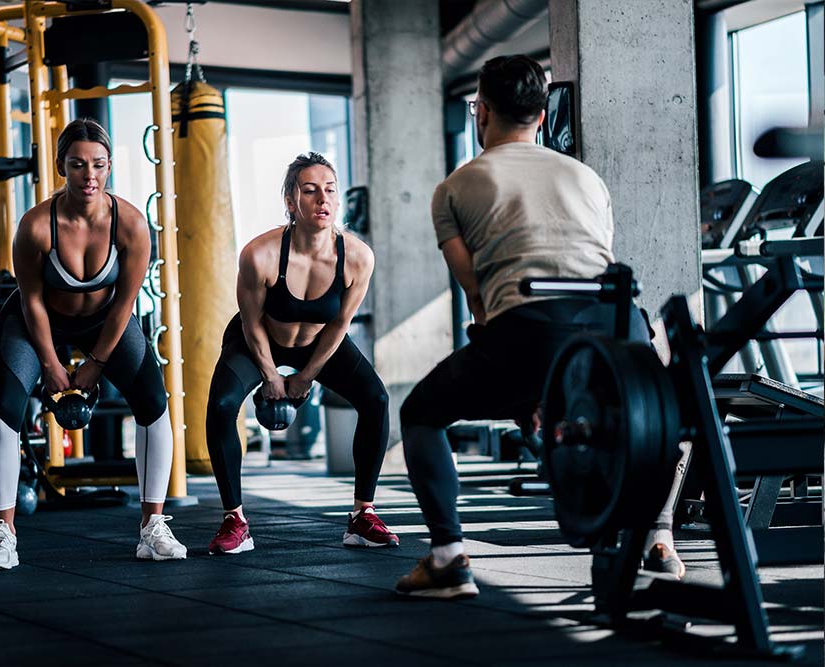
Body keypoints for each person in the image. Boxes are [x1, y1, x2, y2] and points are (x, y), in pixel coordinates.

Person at [395, 56, 685, 599]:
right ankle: (659, 541)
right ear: (542, 113)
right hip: (617, 324)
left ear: (480, 111)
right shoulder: (586, 177)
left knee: (421, 413)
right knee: (663, 418)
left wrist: (524, 387)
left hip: (528, 325)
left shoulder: (456, 188)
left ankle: (448, 559)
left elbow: (480, 299)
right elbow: (596, 266)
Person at [0, 118, 186, 570]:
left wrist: (95, 363)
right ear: (61, 167)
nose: (89, 175)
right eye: (77, 165)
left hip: (104, 321)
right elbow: (31, 303)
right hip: (37, 320)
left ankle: (152, 526)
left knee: (153, 401)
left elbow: (125, 303)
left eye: (98, 164)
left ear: (109, 167)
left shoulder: (130, 224)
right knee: (6, 406)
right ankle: (2, 534)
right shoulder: (35, 226)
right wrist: (52, 365)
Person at [204, 152, 398, 555]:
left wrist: (307, 375)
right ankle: (234, 519)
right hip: (259, 337)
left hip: (320, 342)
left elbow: (340, 324)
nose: (321, 199)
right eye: (309, 191)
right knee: (222, 404)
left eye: (329, 190)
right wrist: (271, 375)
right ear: (291, 201)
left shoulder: (357, 257)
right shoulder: (260, 254)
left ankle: (363, 515)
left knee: (376, 400)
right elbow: (251, 322)